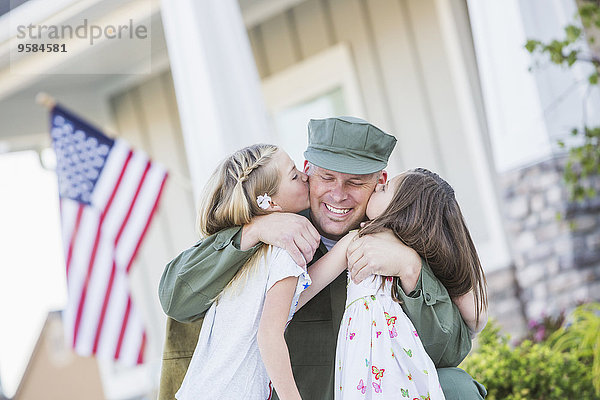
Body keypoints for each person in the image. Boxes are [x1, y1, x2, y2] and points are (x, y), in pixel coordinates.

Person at [158, 116, 487, 400]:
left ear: (380, 183)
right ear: (307, 172)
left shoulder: (400, 241)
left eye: (355, 182)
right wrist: (254, 231)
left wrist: (410, 269)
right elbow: (176, 297)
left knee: (455, 388)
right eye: (327, 177)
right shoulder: (267, 234)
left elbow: (450, 352)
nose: (338, 194)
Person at [299, 168, 488, 399]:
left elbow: (477, 316)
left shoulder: (414, 257)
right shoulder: (358, 242)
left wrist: (411, 265)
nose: (377, 187)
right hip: (364, 374)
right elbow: (303, 290)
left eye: (385, 188)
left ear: (403, 209)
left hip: (401, 371)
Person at [176, 144, 313, 399]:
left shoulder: (243, 257)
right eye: (294, 176)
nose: (306, 176)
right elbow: (269, 335)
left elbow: (299, 295)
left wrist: (350, 244)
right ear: (269, 202)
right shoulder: (285, 248)